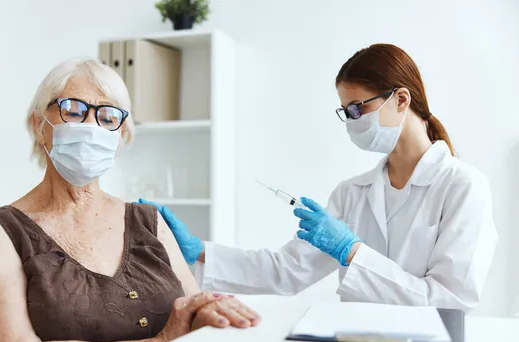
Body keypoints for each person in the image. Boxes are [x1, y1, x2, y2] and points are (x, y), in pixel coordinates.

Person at [0, 58, 260, 342]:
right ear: (39, 124)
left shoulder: (149, 221)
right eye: (73, 110)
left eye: (107, 117)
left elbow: (190, 314)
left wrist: (211, 313)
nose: (91, 126)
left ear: (121, 135)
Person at [140, 43, 498, 312]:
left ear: (401, 99)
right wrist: (198, 250)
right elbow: (285, 270)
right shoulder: (352, 193)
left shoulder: (463, 186)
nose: (353, 119)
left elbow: (451, 302)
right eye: (346, 111)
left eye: (359, 107)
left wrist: (353, 252)